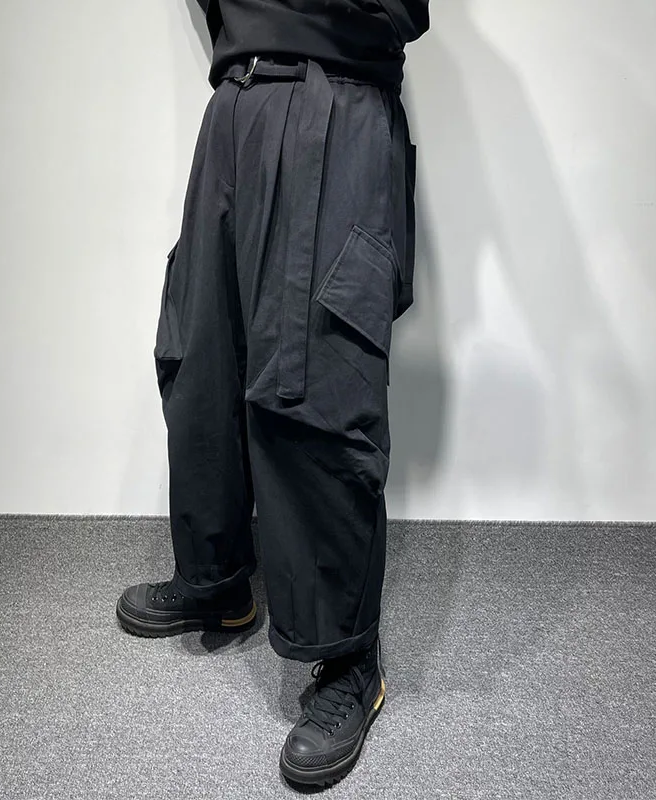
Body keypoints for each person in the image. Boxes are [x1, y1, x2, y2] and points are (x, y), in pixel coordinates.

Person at [116, 0, 428, 787]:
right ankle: (219, 582)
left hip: (334, 106)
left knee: (319, 386)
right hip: (236, 109)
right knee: (201, 359)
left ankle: (349, 659)